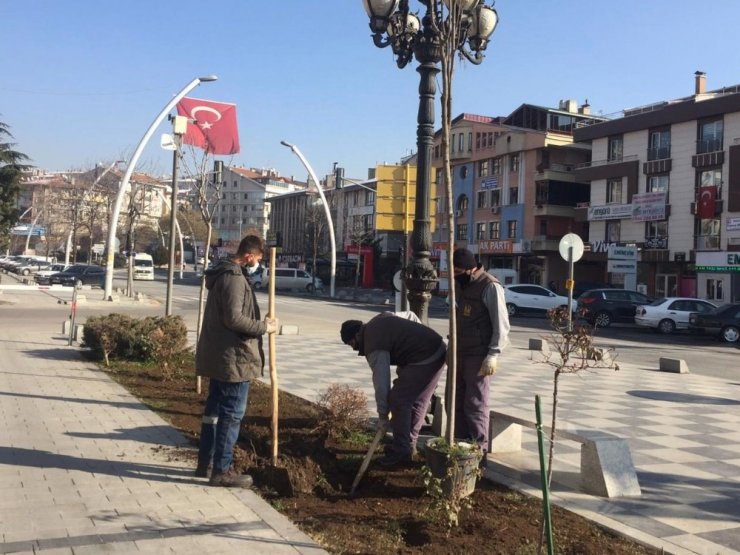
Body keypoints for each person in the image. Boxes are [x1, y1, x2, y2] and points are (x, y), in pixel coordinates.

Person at [195, 235, 278, 487]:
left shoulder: (225, 275)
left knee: (215, 413)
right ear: (250, 255)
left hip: (222, 356)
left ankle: (205, 464)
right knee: (230, 415)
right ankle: (221, 470)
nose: (258, 264)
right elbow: (234, 319)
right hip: (233, 360)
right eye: (258, 259)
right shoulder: (233, 279)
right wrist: (265, 327)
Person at [340, 311, 446, 466]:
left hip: (424, 357)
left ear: (356, 336)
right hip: (437, 349)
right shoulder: (380, 318)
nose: (354, 349)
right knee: (417, 401)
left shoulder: (372, 343)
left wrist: (383, 417)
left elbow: (382, 384)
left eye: (351, 344)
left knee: (398, 399)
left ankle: (401, 451)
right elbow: (410, 315)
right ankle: (407, 446)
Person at [451, 248, 510, 464]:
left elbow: (501, 324)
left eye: (459, 271)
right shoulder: (461, 283)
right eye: (453, 271)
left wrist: (493, 354)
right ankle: (459, 447)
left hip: (479, 354)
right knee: (456, 401)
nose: (455, 275)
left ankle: (478, 455)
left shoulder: (490, 286)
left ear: (471, 268)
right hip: (460, 351)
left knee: (475, 403)